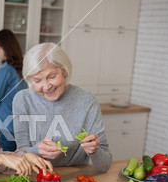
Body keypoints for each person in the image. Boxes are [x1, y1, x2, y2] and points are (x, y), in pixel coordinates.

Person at [12, 43, 112, 172]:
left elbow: (105, 166)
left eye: (52, 77)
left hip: (75, 178)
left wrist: (95, 151)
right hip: (36, 177)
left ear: (64, 71)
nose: (46, 86)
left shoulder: (87, 101)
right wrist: (37, 150)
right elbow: (20, 154)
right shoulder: (22, 100)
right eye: (38, 80)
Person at [0, 29, 28, 152]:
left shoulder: (6, 70)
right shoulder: (21, 69)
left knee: (7, 166)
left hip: (7, 128)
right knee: (19, 164)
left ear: (5, 47)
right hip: (20, 127)